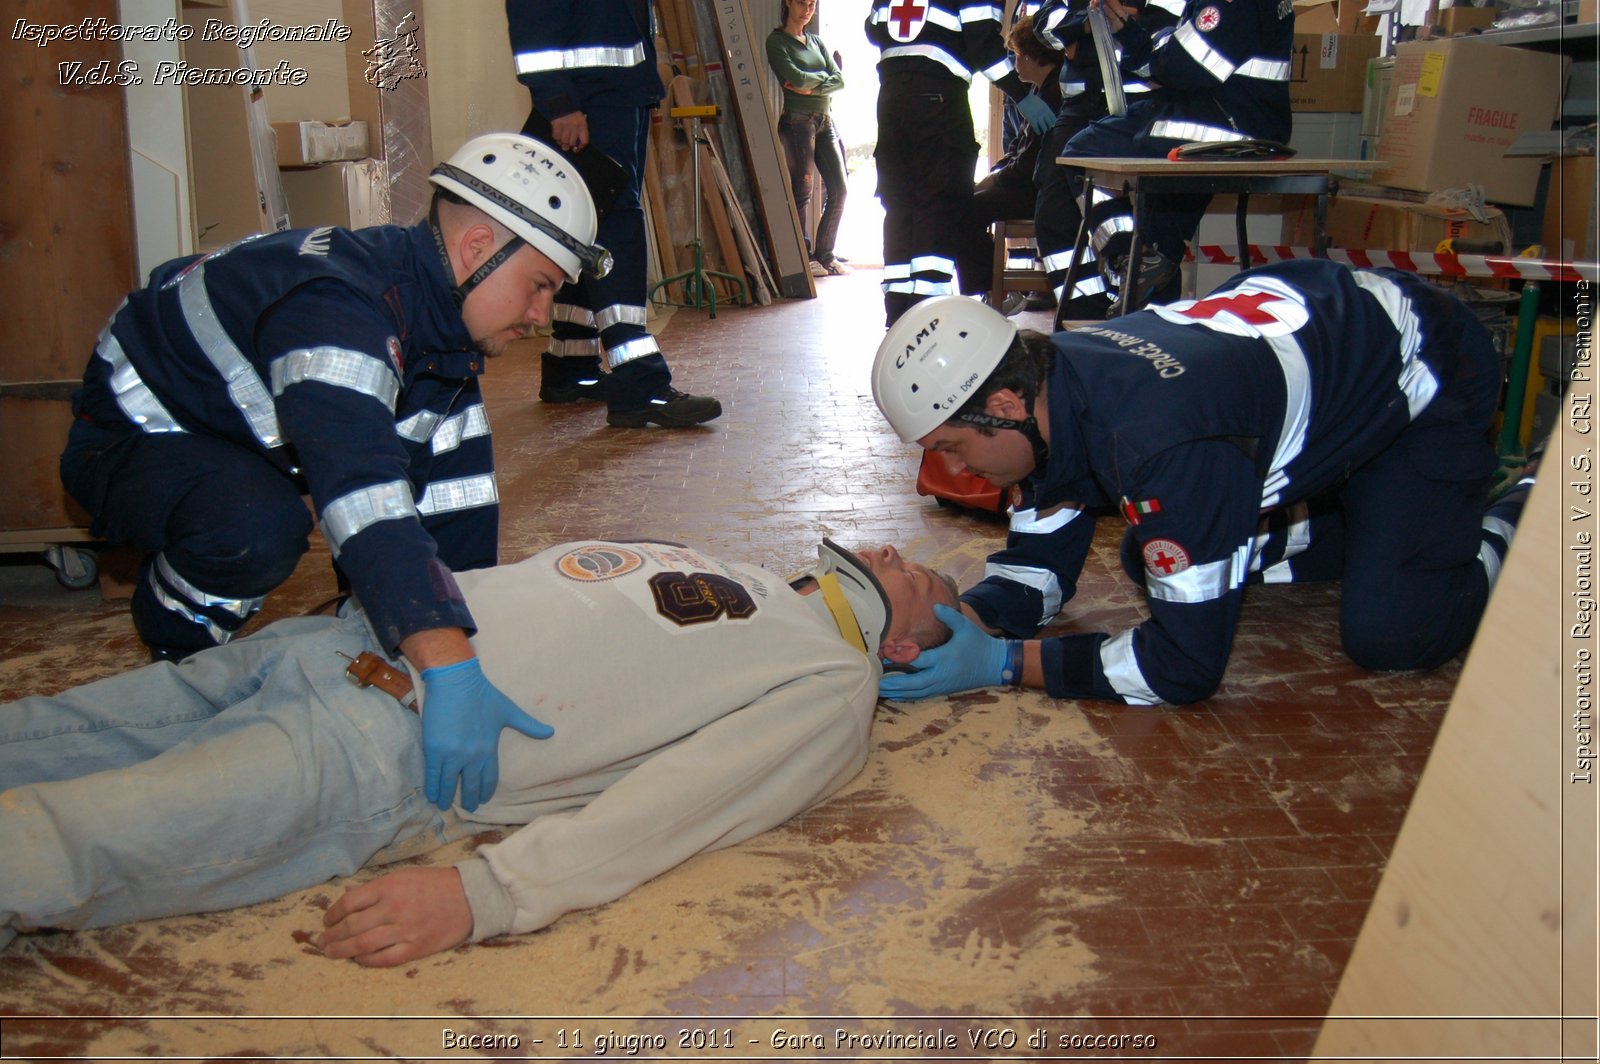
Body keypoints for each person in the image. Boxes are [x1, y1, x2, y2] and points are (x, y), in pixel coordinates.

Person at [0, 537, 959, 965]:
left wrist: (490, 895)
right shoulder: (744, 575)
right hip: (348, 642)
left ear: (906, 646)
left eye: (922, 579)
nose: (897, 554)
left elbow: (681, 804)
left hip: (382, 748)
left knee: (67, 839)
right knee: (55, 731)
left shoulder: (837, 683)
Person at [58, 133, 611, 812]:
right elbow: (363, 501)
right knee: (256, 524)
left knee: (352, 545)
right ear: (476, 251)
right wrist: (449, 668)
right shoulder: (338, 307)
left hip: (234, 441)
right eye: (540, 286)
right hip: (132, 440)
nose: (540, 316)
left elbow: (455, 521)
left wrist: (474, 650)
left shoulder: (442, 348)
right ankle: (179, 651)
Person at [870, 259, 1536, 706]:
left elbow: (1182, 668)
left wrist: (1005, 666)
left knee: (1394, 635)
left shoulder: (1159, 449)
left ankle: (1523, 509)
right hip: (1321, 347)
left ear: (1007, 407)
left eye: (954, 448)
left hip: (1426, 367)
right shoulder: (1048, 385)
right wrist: (965, 623)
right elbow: (1038, 569)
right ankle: (1357, 520)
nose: (956, 473)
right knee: (1155, 554)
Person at [507, 0, 722, 428]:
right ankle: (639, 385)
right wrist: (557, 100)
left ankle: (572, 366)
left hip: (620, 93)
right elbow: (531, 13)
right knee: (615, 230)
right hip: (591, 99)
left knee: (587, 225)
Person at [1052, 0, 1295, 312]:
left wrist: (1140, 41)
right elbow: (1170, 63)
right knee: (1156, 231)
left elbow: (1187, 67)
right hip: (1219, 116)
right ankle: (1144, 273)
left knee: (1083, 154)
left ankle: (1134, 259)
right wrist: (1126, 31)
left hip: (1226, 124)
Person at [865, 0, 1045, 326]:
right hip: (939, 100)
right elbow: (984, 47)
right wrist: (1022, 94)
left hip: (890, 101)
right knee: (940, 203)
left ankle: (899, 312)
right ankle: (928, 312)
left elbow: (873, 29)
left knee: (901, 204)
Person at [1029, 0, 1183, 318]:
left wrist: (1126, 23)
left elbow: (1176, 45)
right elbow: (1046, 25)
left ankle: (1148, 326)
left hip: (1143, 115)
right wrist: (1091, 20)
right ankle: (1087, 317)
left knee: (1155, 231)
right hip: (1079, 114)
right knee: (1055, 220)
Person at [954, 12, 1063, 310]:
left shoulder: (1055, 94)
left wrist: (997, 179)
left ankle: (994, 291)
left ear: (1033, 56)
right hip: (1027, 183)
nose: (1014, 64)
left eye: (1017, 55)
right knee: (969, 200)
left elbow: (1030, 163)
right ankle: (992, 288)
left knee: (965, 208)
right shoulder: (1042, 90)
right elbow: (1019, 147)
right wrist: (998, 172)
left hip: (1040, 190)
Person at [766, 0, 851, 278]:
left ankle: (825, 255)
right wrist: (820, 81)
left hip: (825, 121)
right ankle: (804, 258)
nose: (807, 9)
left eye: (812, 4)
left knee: (839, 190)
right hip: (797, 122)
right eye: (802, 2)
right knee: (802, 191)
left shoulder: (816, 41)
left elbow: (839, 80)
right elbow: (794, 79)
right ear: (788, 2)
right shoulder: (777, 42)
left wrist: (810, 85)